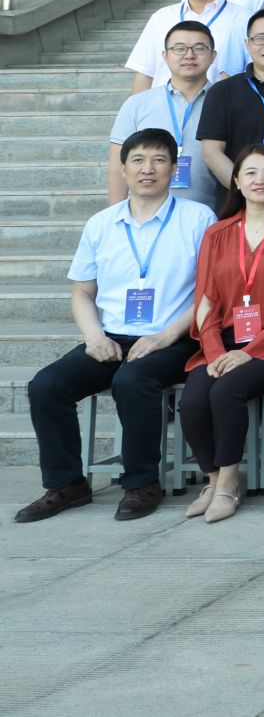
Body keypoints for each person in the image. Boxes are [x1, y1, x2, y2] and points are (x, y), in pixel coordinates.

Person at [15, 130, 211, 523]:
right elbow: (82, 292)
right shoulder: (101, 224)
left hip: (176, 337)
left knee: (133, 380)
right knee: (46, 385)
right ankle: (67, 483)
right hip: (113, 337)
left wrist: (165, 335)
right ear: (123, 169)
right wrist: (94, 336)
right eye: (138, 160)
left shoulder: (198, 219)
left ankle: (141, 484)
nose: (147, 169)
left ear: (174, 168)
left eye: (159, 160)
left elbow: (210, 294)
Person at [178, 145, 264, 524]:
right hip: (223, 341)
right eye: (251, 173)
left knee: (226, 390)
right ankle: (212, 479)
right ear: (236, 180)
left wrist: (249, 352)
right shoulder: (218, 233)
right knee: (192, 400)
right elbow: (205, 299)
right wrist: (215, 351)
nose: (260, 180)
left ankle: (229, 484)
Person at [110, 20, 219, 212]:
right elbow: (118, 166)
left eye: (199, 48)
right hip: (147, 216)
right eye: (179, 48)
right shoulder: (137, 104)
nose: (189, 55)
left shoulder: (226, 102)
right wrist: (115, 215)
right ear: (165, 56)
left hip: (212, 216)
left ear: (212, 56)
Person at [196, 8, 264, 183]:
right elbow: (212, 153)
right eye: (260, 38)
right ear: (247, 44)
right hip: (239, 196)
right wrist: (246, 189)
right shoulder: (222, 91)